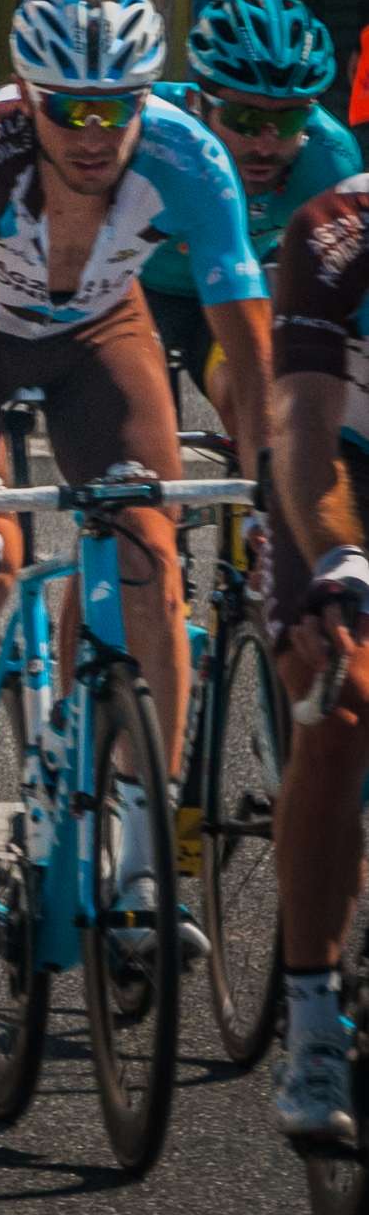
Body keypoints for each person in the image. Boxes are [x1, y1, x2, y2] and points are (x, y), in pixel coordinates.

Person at [0, 0, 268, 938]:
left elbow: (250, 338)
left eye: (116, 106)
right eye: (68, 107)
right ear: (29, 96)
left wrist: (278, 480)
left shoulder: (190, 158)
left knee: (152, 559)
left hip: (100, 331)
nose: (94, 130)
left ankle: (147, 867)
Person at [262, 172, 369, 1140]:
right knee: (337, 706)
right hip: (337, 476)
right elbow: (299, 423)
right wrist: (341, 563)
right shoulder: (335, 231)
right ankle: (311, 1031)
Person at [141, 0, 356, 437]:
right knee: (136, 429)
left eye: (290, 121)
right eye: (243, 119)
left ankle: (253, 502)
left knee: (259, 408)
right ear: (199, 103)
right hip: (141, 291)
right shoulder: (147, 132)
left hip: (243, 285)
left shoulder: (330, 160)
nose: (264, 143)